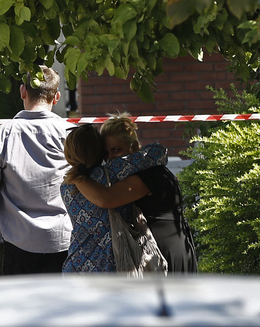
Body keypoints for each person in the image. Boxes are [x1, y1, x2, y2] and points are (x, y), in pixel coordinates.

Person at [0, 66, 73, 276]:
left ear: (22, 91)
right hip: (66, 241)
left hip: (19, 243)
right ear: (56, 97)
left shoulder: (2, 136)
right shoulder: (72, 135)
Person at [70, 115, 198, 273]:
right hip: (157, 251)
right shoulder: (143, 169)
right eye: (105, 153)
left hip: (165, 252)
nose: (110, 158)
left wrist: (76, 177)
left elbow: (105, 199)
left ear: (135, 146)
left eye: (116, 150)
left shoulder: (148, 174)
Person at [60, 125, 167, 273]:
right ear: (100, 150)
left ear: (69, 153)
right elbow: (158, 151)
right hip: (112, 263)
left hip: (75, 263)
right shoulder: (114, 173)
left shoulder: (66, 186)